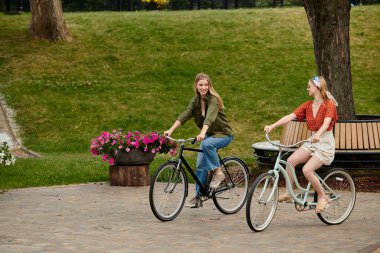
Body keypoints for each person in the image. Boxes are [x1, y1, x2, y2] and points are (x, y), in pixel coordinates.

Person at [264, 76, 338, 213]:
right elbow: (290, 116)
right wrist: (272, 126)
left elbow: (327, 123)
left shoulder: (329, 105)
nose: (307, 88)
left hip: (325, 143)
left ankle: (323, 197)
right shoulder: (308, 105)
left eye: (309, 86)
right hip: (312, 141)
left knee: (307, 170)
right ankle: (288, 193)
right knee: (290, 161)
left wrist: (317, 135)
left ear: (317, 87)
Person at [164, 73, 234, 208]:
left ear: (209, 86)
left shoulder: (214, 100)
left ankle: (218, 173)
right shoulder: (195, 101)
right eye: (201, 85)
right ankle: (198, 197)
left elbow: (210, 118)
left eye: (206, 85)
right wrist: (170, 130)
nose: (204, 87)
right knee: (200, 164)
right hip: (209, 134)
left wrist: (202, 133)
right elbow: (185, 115)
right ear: (195, 85)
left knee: (207, 144)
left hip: (223, 134)